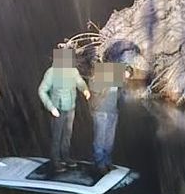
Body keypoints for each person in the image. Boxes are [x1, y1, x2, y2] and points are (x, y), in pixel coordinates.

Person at [37, 45, 90, 175]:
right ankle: (55, 159)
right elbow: (42, 90)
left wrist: (85, 89)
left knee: (67, 134)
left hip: (70, 107)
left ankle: (65, 155)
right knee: (57, 135)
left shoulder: (72, 71)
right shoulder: (52, 72)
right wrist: (51, 107)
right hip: (58, 108)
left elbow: (80, 82)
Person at [89, 59, 132, 175]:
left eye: (127, 77)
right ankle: (99, 163)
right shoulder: (103, 75)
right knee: (100, 139)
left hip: (113, 112)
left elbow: (118, 94)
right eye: (125, 76)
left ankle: (107, 161)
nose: (125, 79)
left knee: (109, 140)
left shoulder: (118, 78)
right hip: (101, 112)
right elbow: (93, 87)